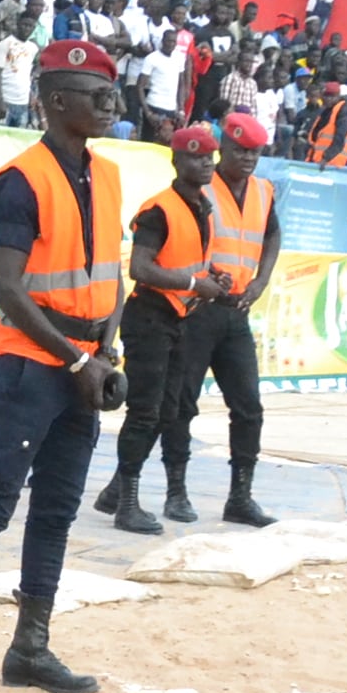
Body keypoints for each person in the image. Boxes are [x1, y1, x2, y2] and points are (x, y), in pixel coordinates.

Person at [0, 38, 128, 693]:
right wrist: (78, 360)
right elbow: (7, 288)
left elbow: (113, 273)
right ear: (52, 102)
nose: (110, 102)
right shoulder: (23, 179)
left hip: (84, 365)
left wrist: (105, 352)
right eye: (95, 94)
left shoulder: (107, 175)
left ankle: (29, 648)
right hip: (28, 366)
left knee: (56, 511)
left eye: (110, 92)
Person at [96, 123, 214, 536]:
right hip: (149, 316)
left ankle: (116, 490)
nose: (205, 164)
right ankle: (126, 505)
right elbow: (140, 268)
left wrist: (209, 278)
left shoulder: (202, 207)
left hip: (178, 317)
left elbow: (188, 261)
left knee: (168, 410)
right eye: (196, 157)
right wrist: (193, 283)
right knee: (145, 411)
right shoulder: (159, 210)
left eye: (209, 157)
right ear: (176, 161)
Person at [174, 111, 283, 524]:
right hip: (199, 311)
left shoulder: (263, 191)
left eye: (255, 152)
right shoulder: (200, 186)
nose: (248, 159)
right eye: (240, 150)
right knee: (181, 404)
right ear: (223, 149)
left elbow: (272, 234)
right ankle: (176, 491)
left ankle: (240, 496)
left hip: (237, 312)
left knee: (249, 407)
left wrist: (261, 280)